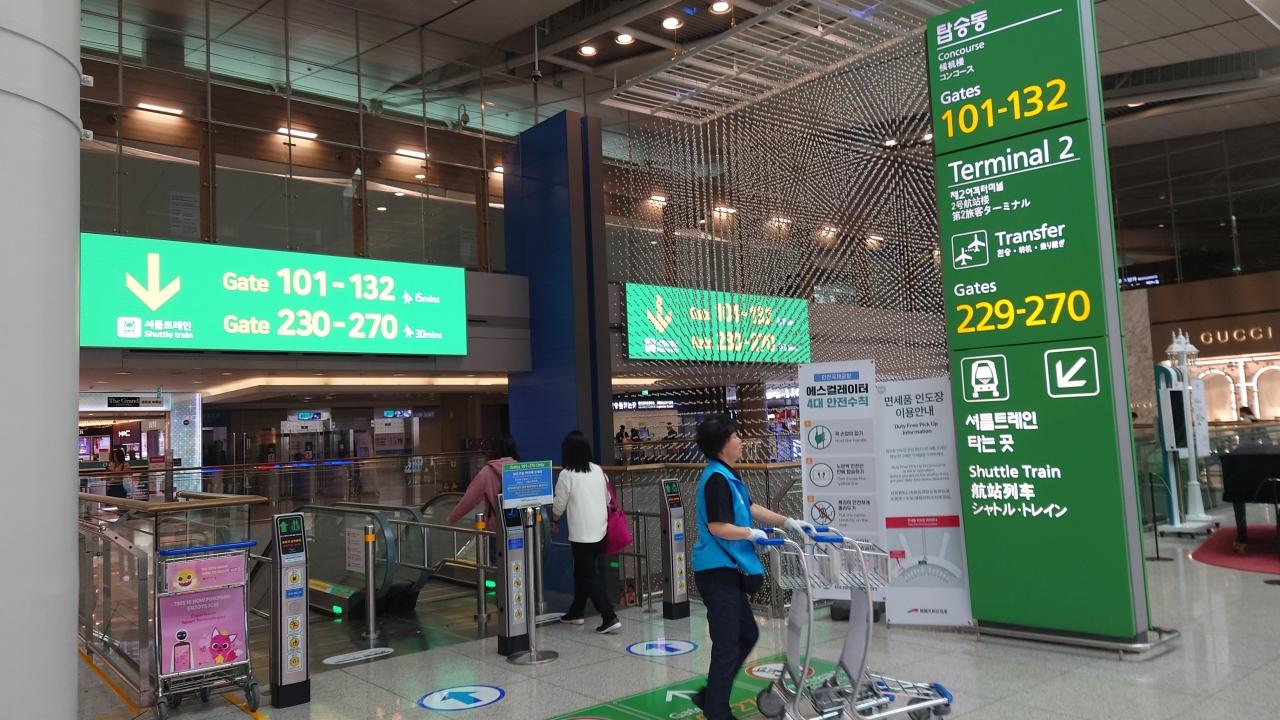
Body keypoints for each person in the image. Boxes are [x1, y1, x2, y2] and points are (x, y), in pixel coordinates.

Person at [690, 415, 813, 720]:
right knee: (728, 644)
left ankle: (710, 695)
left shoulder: (728, 475)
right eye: (735, 436)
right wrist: (750, 534)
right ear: (722, 445)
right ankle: (717, 710)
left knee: (747, 635)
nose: (741, 441)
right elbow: (718, 526)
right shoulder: (716, 480)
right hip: (717, 571)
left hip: (729, 570)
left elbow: (750, 506)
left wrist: (788, 522)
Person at [551, 431, 621, 634]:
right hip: (600, 530)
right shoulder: (598, 470)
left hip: (582, 534)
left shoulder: (567, 475)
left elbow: (559, 504)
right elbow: (608, 499)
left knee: (588, 575)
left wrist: (554, 521)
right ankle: (576, 611)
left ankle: (609, 616)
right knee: (582, 571)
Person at [447, 436, 519, 525]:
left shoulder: (487, 472)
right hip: (519, 525)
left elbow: (469, 500)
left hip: (495, 526)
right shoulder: (520, 469)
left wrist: (451, 519)